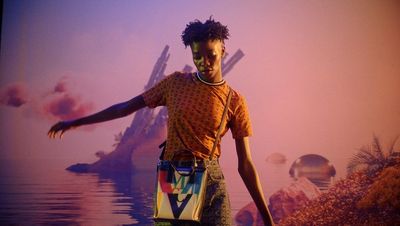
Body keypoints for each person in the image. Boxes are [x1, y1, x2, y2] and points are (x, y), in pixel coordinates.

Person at [48, 18, 274, 226]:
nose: (203, 62)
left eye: (211, 54)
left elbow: (245, 163)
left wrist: (267, 219)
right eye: (197, 56)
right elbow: (124, 108)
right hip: (175, 178)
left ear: (223, 51)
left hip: (213, 182)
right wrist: (76, 122)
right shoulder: (175, 84)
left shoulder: (235, 100)